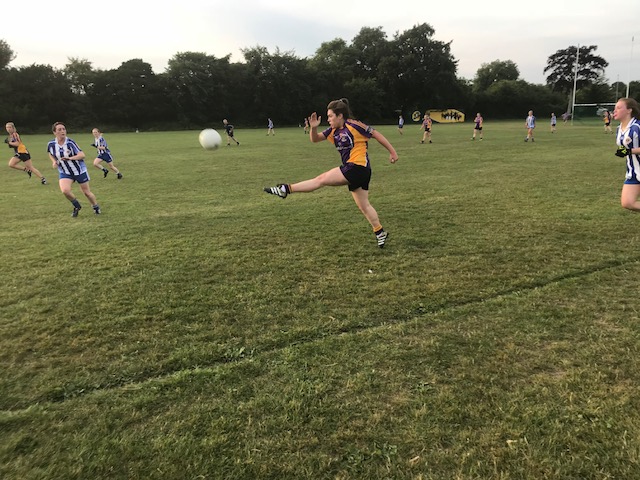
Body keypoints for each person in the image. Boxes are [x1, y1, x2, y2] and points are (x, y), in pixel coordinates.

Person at [263, 98, 398, 248]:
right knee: (364, 206)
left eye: (330, 116)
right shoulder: (333, 131)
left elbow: (376, 134)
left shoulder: (354, 125)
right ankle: (380, 232)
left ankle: (285, 189)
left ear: (340, 115)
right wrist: (313, 127)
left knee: (321, 179)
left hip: (357, 167)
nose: (328, 119)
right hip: (357, 170)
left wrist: (392, 152)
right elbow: (315, 139)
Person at [47, 122, 101, 217]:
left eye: (64, 129)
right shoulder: (51, 144)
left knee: (86, 193)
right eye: (59, 130)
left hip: (79, 170)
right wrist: (54, 161)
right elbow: (50, 153)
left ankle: (95, 206)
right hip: (65, 172)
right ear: (54, 132)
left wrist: (70, 158)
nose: (62, 131)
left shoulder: (70, 143)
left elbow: (82, 155)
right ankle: (77, 206)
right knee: (65, 191)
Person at [612, 97, 640, 212]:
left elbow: (629, 150)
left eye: (619, 108)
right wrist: (623, 152)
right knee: (627, 202)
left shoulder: (637, 127)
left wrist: (629, 151)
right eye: (615, 108)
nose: (615, 111)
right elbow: (625, 149)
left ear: (629, 110)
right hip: (632, 171)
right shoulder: (619, 129)